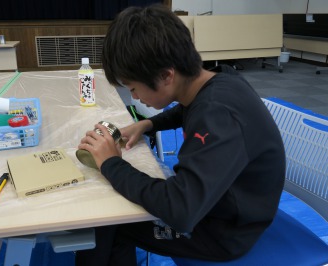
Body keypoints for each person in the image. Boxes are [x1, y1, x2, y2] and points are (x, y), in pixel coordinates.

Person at [76, 4, 286, 265]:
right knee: (116, 213)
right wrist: (148, 124)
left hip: (223, 233)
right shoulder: (217, 82)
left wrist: (111, 164)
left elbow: (180, 209)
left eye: (134, 88)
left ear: (166, 75)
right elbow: (187, 110)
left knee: (113, 223)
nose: (134, 97)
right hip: (222, 205)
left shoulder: (218, 117)